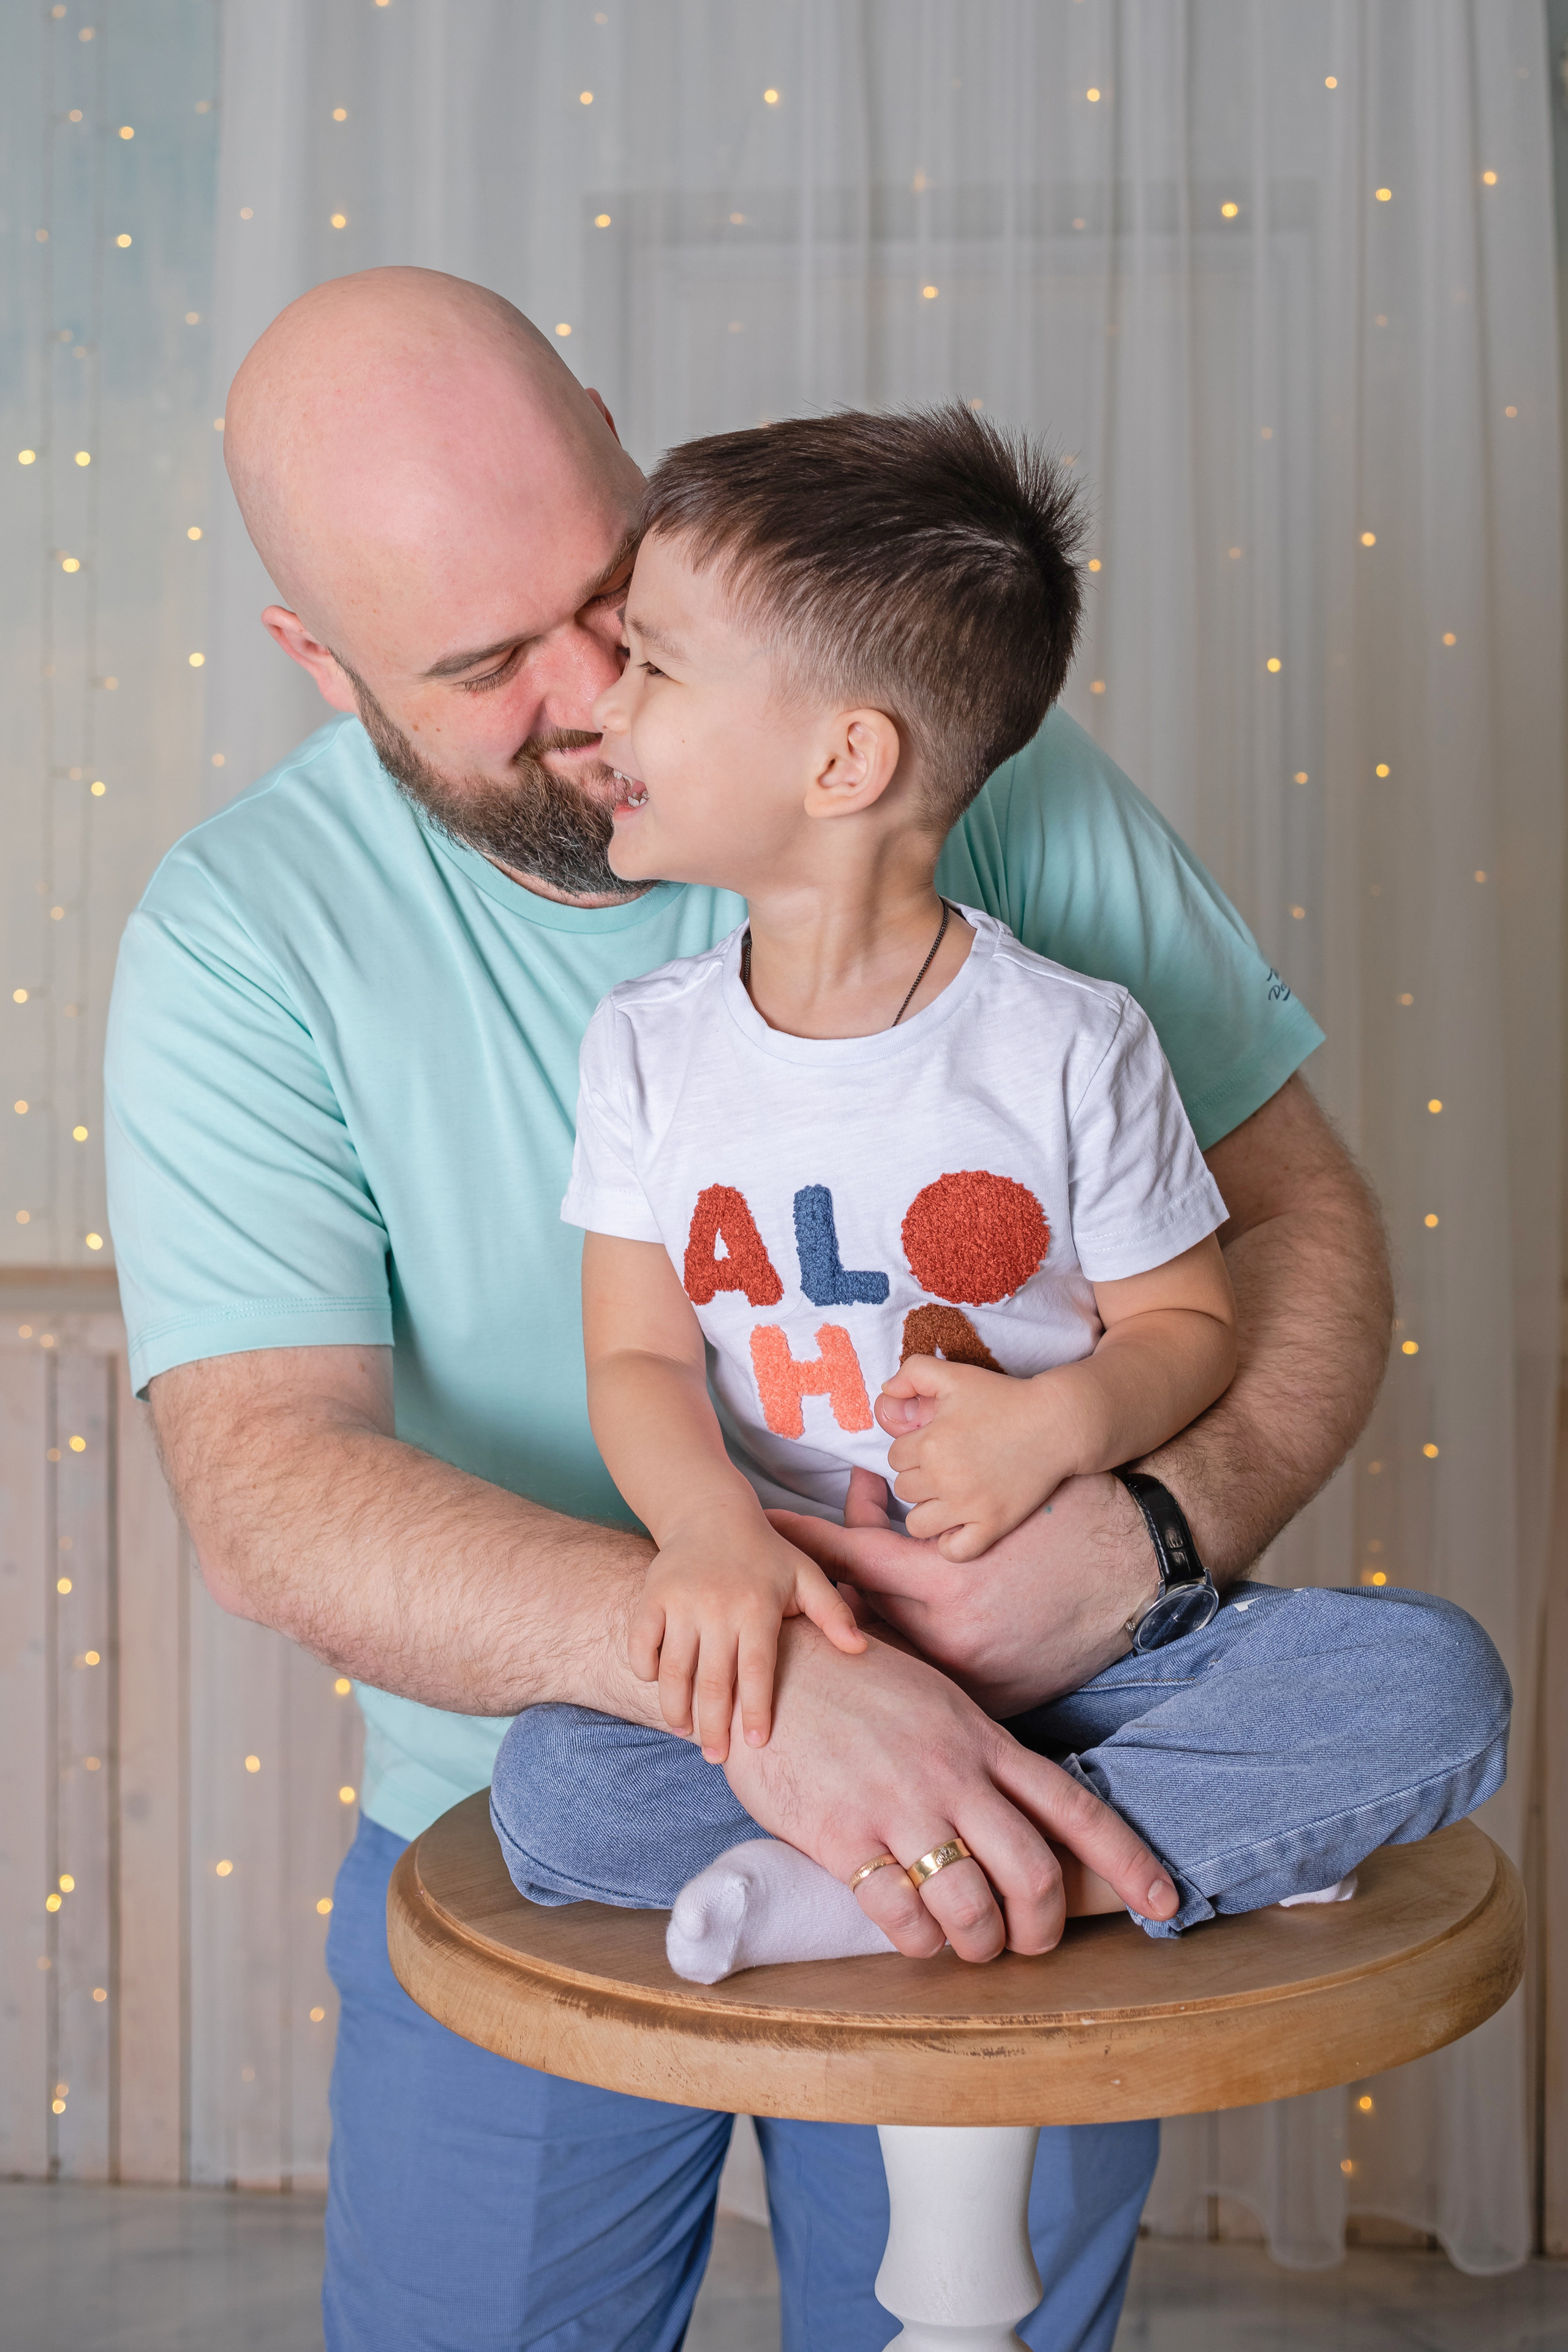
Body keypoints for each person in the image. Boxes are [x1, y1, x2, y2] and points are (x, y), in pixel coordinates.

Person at [106, 266, 1409, 2352]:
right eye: (483, 664)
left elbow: (1301, 1223)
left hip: (1022, 1758)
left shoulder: (957, 775)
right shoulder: (242, 937)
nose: (596, 690)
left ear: (630, 448)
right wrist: (769, 1687)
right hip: (542, 1800)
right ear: (321, 668)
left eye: (604, 593)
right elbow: (269, 1481)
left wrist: (1150, 1535)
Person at [488, 407, 1507, 1997]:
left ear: (844, 758)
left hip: (1090, 1651)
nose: (603, 708)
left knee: (1435, 1687)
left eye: (658, 669)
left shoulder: (1067, 1044)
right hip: (805, 1661)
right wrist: (705, 1534)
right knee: (549, 1791)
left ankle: (883, 1889)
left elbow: (1186, 1325)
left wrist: (1059, 1429)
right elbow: (635, 1359)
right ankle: (1143, 1859)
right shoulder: (648, 1050)